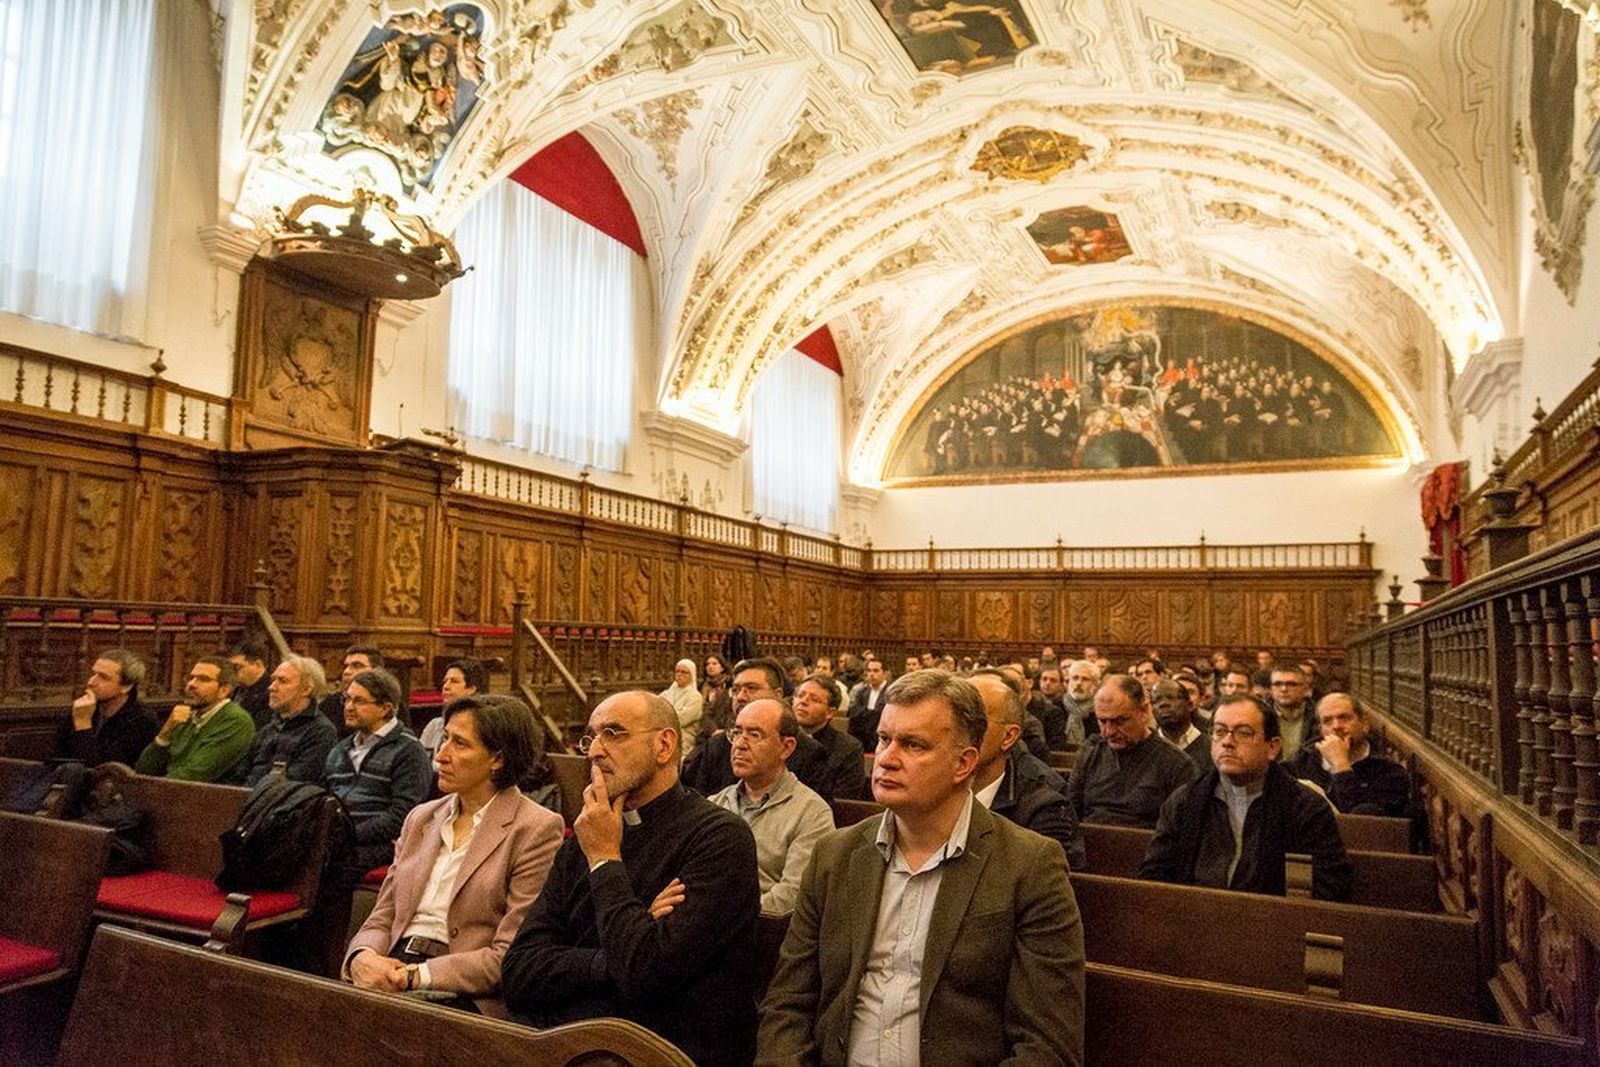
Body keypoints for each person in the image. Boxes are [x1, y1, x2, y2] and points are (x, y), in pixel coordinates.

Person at [757, 669, 1085, 1065]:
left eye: (913, 745)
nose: (886, 759)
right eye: (884, 739)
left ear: (963, 763)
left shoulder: (1029, 865)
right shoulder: (835, 855)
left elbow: (1047, 1045)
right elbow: (788, 1004)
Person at [501, 691, 760, 1067]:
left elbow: (644, 973)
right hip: (566, 1040)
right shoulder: (588, 834)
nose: (594, 751)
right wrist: (616, 954)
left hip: (661, 1050)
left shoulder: (719, 837)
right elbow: (518, 971)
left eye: (613, 733)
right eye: (591, 737)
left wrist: (605, 859)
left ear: (664, 745)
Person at [345, 695, 564, 1016]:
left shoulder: (535, 828)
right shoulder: (421, 817)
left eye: (459, 744)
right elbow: (384, 915)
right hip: (394, 964)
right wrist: (362, 956)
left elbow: (511, 953)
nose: (440, 756)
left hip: (460, 984)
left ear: (497, 759)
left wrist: (416, 976)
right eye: (444, 738)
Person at [1141, 694, 1352, 900]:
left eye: (1243, 733)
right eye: (1219, 731)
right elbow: (1155, 875)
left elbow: (1327, 886)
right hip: (1193, 915)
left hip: (1272, 919)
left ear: (1272, 747)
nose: (1227, 742)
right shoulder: (1185, 800)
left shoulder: (1305, 806)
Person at [709, 698, 834, 914]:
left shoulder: (812, 813)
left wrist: (728, 918)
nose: (740, 744)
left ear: (786, 747)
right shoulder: (715, 803)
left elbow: (792, 896)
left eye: (754, 735)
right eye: (737, 732)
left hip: (764, 928)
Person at [968, 670, 1087, 870]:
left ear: (1008, 737)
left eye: (974, 722)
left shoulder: (1045, 807)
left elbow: (1043, 882)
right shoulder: (932, 788)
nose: (954, 731)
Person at [324, 667, 433, 872]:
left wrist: (348, 835)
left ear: (385, 708)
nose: (348, 707)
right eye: (347, 699)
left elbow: (403, 815)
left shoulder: (408, 750)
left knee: (331, 864)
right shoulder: (340, 750)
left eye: (359, 701)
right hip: (339, 839)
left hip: (383, 844)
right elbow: (325, 800)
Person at [682, 657, 832, 797]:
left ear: (777, 695)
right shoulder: (716, 746)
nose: (740, 697)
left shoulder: (808, 752)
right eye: (736, 690)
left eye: (752, 688)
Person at [1068, 674, 1196, 826]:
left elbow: (1181, 829)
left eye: (1119, 721)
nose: (1109, 732)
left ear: (1144, 711)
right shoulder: (1091, 752)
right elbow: (1071, 813)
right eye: (1102, 721)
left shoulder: (1177, 764)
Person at [135, 656, 256, 783]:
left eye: (203, 679)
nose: (191, 684)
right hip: (166, 789)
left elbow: (193, 776)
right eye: (191, 678)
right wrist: (165, 732)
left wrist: (150, 790)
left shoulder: (236, 720)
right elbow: (143, 770)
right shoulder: (185, 715)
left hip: (204, 794)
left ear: (224, 690)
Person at [1290, 693, 1412, 815]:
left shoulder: (1389, 772)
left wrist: (1341, 765)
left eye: (1344, 718)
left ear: (1365, 724)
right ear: (1321, 729)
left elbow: (1362, 821)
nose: (1336, 726)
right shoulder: (1301, 762)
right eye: (1327, 721)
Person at [53, 648, 158, 768]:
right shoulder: (83, 707)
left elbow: (102, 771)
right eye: (93, 674)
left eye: (103, 677)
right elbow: (56, 759)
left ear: (126, 686)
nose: (91, 682)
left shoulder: (142, 721)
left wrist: (83, 724)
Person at [243, 654, 338, 786]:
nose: (271, 687)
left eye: (282, 681)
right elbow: (241, 773)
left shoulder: (321, 732)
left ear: (306, 689)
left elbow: (295, 783)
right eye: (273, 680)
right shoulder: (268, 729)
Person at [793, 674, 869, 799]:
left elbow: (843, 801)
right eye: (800, 695)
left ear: (830, 712)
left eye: (814, 699)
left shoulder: (848, 749)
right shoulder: (779, 739)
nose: (803, 701)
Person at [420, 658, 487, 759]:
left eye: (454, 681)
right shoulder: (434, 726)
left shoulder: (481, 727)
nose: (445, 687)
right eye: (445, 681)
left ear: (471, 689)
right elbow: (420, 762)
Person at [1150, 678, 1212, 773]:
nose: (1163, 704)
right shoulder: (1146, 750)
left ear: (1190, 705)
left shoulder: (1210, 749)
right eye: (1156, 700)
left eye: (1171, 698)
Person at [320, 644, 385, 734]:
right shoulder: (330, 704)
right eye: (345, 666)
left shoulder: (389, 702)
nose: (347, 672)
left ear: (376, 671)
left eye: (357, 666)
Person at [1269, 665, 1319, 762]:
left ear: (1305, 688)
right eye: (1277, 684)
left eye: (1291, 684)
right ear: (1271, 688)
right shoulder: (1260, 714)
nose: (1283, 689)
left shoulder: (1319, 715)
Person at [659, 658, 704, 758]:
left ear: (691, 675)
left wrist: (663, 715)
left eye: (684, 672)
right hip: (663, 732)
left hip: (684, 737)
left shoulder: (695, 696)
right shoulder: (667, 693)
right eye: (677, 671)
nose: (679, 674)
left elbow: (682, 719)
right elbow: (655, 710)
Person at [846, 657, 891, 752]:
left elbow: (882, 715)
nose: (871, 674)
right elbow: (854, 713)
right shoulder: (861, 692)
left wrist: (867, 714)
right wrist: (871, 715)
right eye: (869, 670)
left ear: (885, 673)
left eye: (876, 671)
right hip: (862, 738)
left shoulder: (890, 693)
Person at [229, 639, 273, 728]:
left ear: (258, 665)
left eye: (237, 667)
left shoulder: (271, 691)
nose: (233, 672)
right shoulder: (238, 688)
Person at [1060, 659, 1101, 744]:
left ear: (1095, 685)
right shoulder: (1056, 709)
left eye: (1085, 679)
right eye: (1075, 678)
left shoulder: (1100, 713)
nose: (1078, 683)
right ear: (1068, 682)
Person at [701, 653, 735, 736]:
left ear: (722, 667)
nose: (710, 666)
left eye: (714, 664)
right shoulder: (702, 685)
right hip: (707, 726)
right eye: (708, 664)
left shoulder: (729, 684)